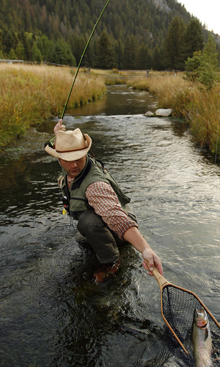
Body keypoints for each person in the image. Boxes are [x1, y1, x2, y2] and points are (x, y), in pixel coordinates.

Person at [45, 119, 163, 283]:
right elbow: (57, 147)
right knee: (82, 238)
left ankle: (112, 262)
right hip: (105, 219)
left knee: (86, 224)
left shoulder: (95, 186)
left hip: (121, 225)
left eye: (78, 158)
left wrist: (146, 250)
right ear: (59, 159)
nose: (73, 164)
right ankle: (103, 242)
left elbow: (117, 218)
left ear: (85, 153)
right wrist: (58, 134)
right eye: (67, 159)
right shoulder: (69, 163)